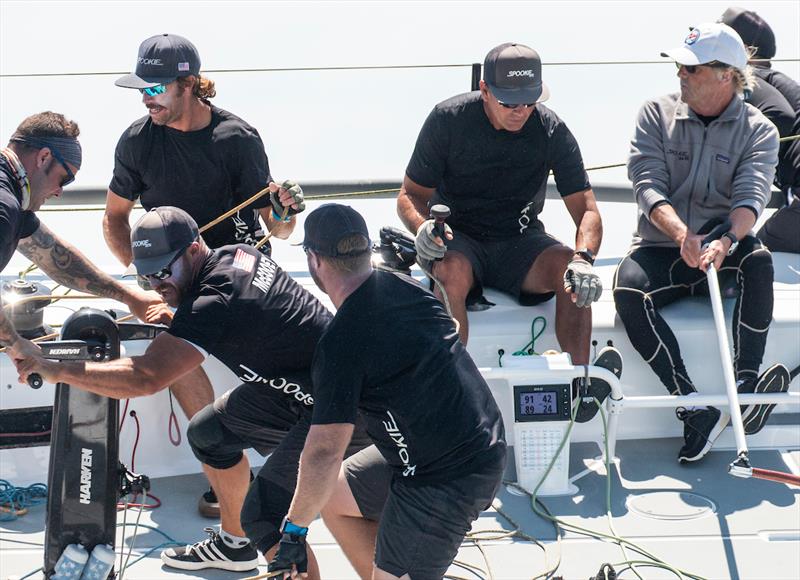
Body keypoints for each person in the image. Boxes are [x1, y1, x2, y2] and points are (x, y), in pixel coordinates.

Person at [15, 206, 369, 574]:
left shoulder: (213, 303)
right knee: (210, 434)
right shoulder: (236, 254)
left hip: (341, 409)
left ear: (195, 247)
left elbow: (145, 377)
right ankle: (235, 546)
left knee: (265, 515)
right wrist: (178, 316)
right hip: (298, 386)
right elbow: (233, 317)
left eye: (165, 271)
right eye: (146, 276)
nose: (157, 284)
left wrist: (55, 370)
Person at [106, 33, 305, 517]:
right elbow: (114, 219)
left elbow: (277, 229)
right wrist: (145, 279)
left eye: (155, 89)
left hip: (236, 278)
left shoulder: (236, 138)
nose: (147, 99)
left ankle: (288, 469)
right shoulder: (136, 141)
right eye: (141, 91)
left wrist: (287, 212)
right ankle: (225, 473)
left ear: (189, 84)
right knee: (175, 360)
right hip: (178, 284)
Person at [268, 204, 507, 579]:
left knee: (330, 478)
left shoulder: (341, 342)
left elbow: (324, 451)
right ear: (367, 250)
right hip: (479, 441)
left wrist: (294, 531)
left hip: (447, 478)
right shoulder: (406, 286)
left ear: (314, 260)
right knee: (335, 494)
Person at [397, 42, 620, 421]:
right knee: (449, 271)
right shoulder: (447, 119)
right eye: (509, 102)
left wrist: (584, 259)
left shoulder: (550, 129)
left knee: (570, 268)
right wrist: (421, 230)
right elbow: (410, 195)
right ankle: (452, 394)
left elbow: (587, 209)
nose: (520, 111)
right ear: (484, 90)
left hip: (520, 241)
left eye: (529, 102)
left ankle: (581, 386)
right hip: (459, 240)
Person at [613, 22, 785, 464]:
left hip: (723, 245)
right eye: (679, 65)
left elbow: (752, 197)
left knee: (759, 262)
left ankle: (745, 391)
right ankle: (691, 406)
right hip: (662, 244)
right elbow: (646, 182)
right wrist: (680, 235)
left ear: (726, 74)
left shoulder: (759, 130)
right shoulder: (654, 111)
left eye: (691, 68)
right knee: (627, 289)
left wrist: (727, 239)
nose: (680, 74)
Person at [1, 111, 160, 361]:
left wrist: (130, 296)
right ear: (44, 158)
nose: (59, 192)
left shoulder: (12, 199)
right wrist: (15, 342)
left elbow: (55, 256)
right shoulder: (5, 207)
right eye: (65, 178)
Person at [720, 7, 800, 253]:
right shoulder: (777, 81)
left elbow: (780, 116)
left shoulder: (749, 77)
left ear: (744, 50)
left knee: (748, 256)